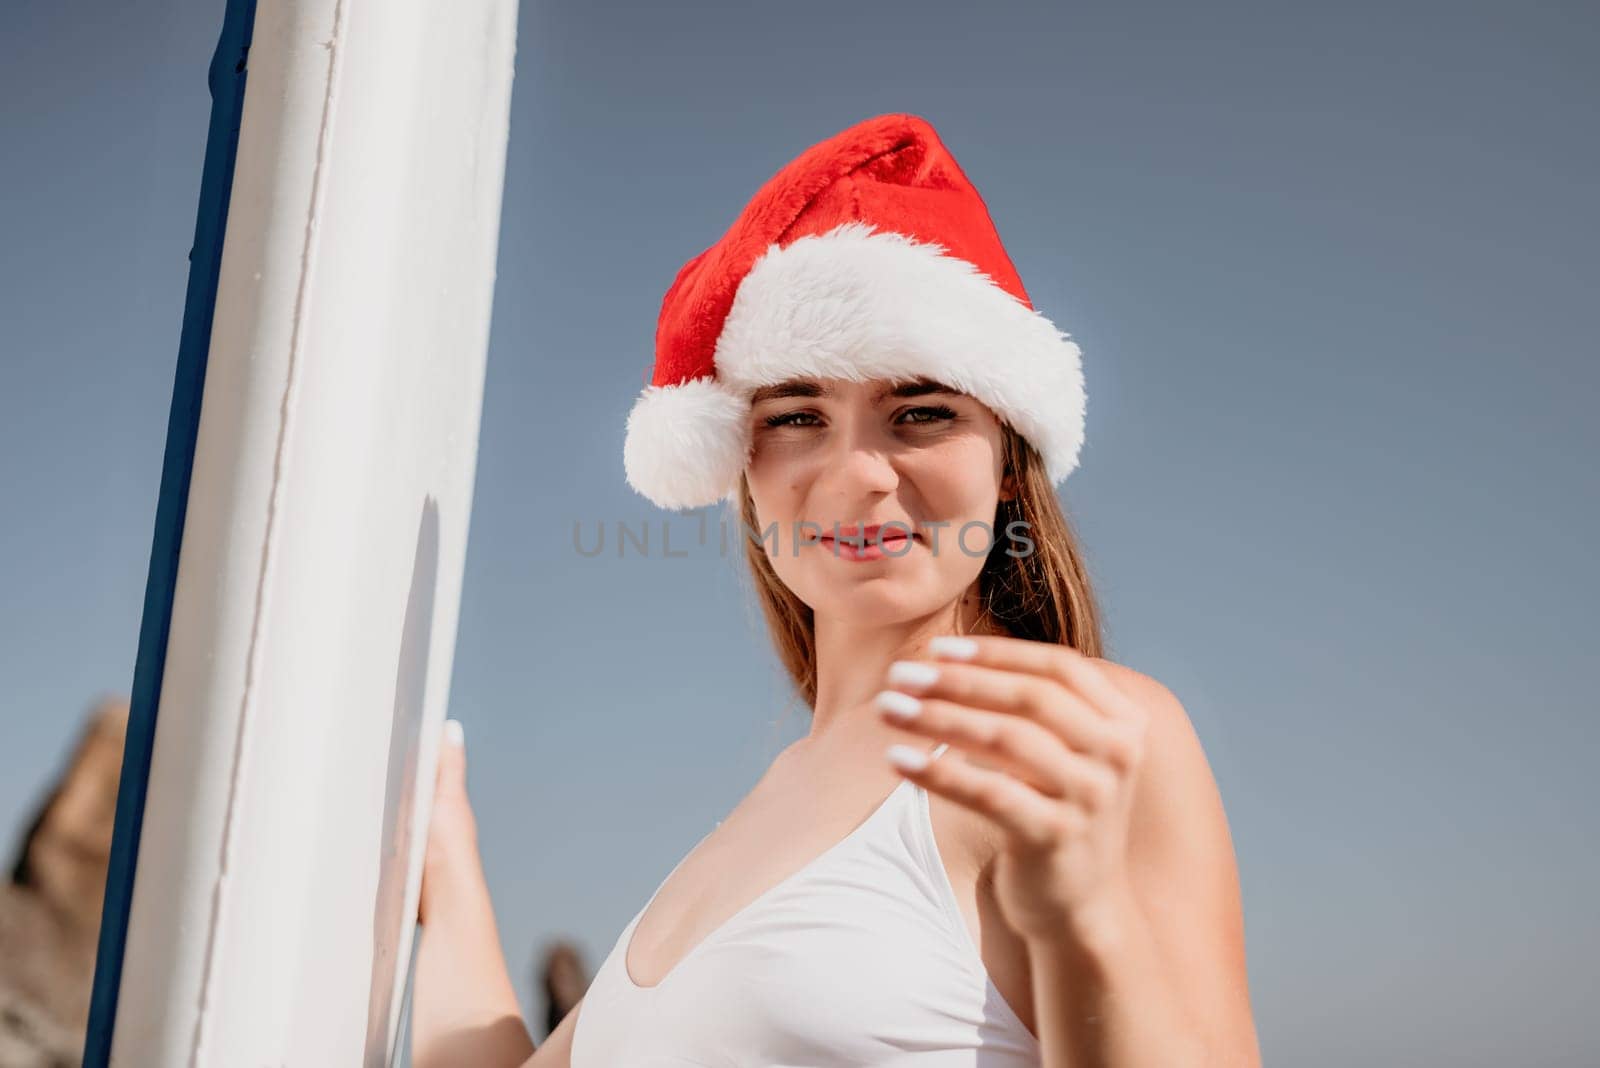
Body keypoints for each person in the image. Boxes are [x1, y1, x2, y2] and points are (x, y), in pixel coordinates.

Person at [411, 113, 1261, 1067]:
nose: (858, 474)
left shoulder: (1084, 736)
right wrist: (442, 863)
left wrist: (1083, 928)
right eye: (799, 415)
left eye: (923, 412)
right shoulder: (761, 806)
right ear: (743, 467)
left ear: (1010, 462)